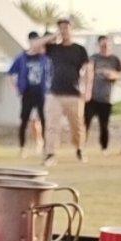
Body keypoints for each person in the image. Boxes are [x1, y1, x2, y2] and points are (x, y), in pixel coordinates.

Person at [43, 18, 89, 164]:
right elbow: (37, 45)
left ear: (71, 29)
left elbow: (88, 70)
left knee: (77, 126)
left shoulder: (79, 50)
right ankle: (51, 154)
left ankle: (79, 149)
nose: (64, 31)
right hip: (55, 93)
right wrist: (54, 35)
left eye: (66, 28)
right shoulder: (53, 49)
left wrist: (87, 89)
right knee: (52, 125)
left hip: (74, 94)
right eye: (61, 28)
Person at [7, 31, 51, 157]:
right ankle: (22, 148)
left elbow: (51, 74)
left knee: (44, 120)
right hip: (27, 93)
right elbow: (10, 74)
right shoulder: (22, 58)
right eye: (33, 41)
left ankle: (45, 147)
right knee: (24, 121)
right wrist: (15, 89)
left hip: (41, 93)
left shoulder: (45, 58)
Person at [85, 35, 121, 155]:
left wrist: (113, 75)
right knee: (85, 123)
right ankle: (81, 147)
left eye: (107, 44)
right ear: (99, 45)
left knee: (104, 125)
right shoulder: (93, 58)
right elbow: (86, 73)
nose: (105, 47)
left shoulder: (114, 59)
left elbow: (120, 75)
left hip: (106, 98)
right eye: (103, 45)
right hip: (91, 97)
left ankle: (104, 148)